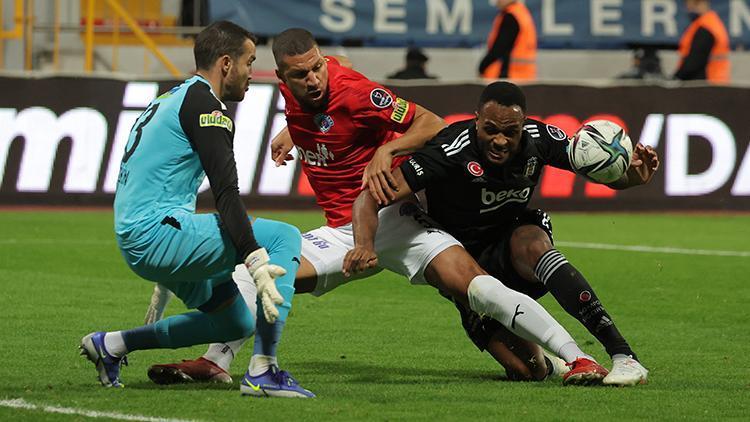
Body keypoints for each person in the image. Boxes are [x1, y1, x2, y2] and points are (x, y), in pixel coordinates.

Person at [146, 27, 610, 390]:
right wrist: (297, 133)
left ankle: (577, 357)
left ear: (323, 62)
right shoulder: (298, 90)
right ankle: (215, 362)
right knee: (259, 276)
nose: (313, 79)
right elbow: (325, 86)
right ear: (282, 76)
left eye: (317, 70)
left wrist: (388, 152)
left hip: (393, 215)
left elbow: (431, 123)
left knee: (476, 288)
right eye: (301, 74)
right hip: (344, 228)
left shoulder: (354, 92)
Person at [343, 81, 658, 386]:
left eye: (511, 132)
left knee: (533, 243)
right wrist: (365, 245)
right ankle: (554, 362)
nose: (500, 141)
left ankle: (623, 355)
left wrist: (631, 179)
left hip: (510, 242)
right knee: (527, 370)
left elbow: (594, 166)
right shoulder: (450, 149)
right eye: (490, 130)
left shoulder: (540, 138)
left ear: (523, 124)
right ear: (477, 120)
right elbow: (371, 196)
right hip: (462, 261)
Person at [78, 21, 312, 397]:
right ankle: (264, 370)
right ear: (225, 64)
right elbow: (226, 191)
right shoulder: (208, 106)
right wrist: (252, 256)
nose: (253, 73)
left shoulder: (170, 98)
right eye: (249, 62)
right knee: (284, 235)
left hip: (143, 232)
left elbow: (154, 173)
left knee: (236, 322)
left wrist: (167, 268)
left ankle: (112, 345)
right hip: (157, 233)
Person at [478, 0, 537, 81]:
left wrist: (482, 67)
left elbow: (499, 48)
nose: (496, 2)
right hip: (525, 76)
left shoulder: (511, 17)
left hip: (509, 77)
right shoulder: (521, 13)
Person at [673, 0, 730, 82]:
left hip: (706, 83)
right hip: (715, 81)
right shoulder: (710, 23)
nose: (688, 9)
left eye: (689, 4)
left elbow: (695, 61)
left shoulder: (706, 28)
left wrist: (676, 78)